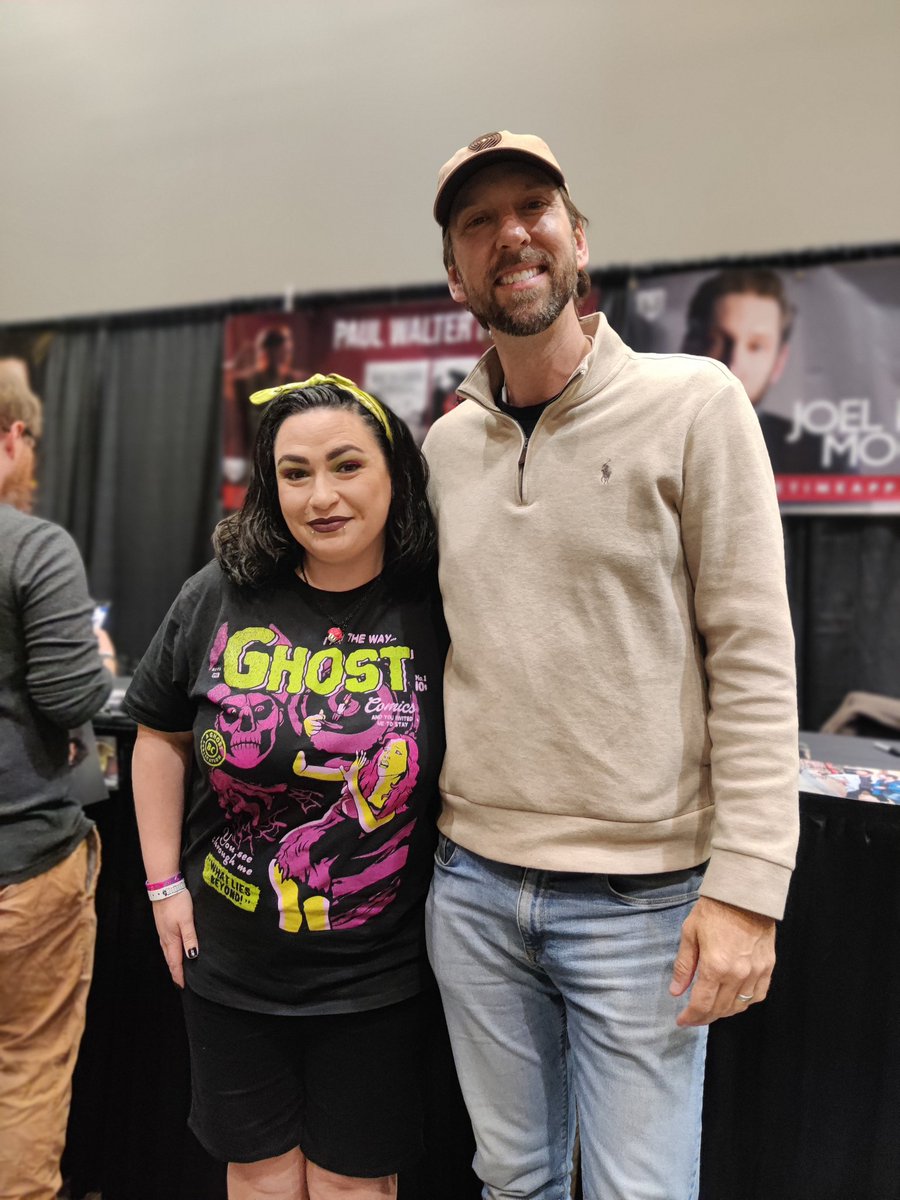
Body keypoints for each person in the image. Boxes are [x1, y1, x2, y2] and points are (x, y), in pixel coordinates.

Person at [423, 131, 799, 1200]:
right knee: (514, 1181)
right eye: (478, 224)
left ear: (578, 240)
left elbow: (756, 657)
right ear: (457, 275)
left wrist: (750, 890)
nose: (511, 236)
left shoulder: (696, 404)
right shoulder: (448, 447)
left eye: (532, 208)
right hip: (473, 890)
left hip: (644, 907)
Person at [123, 375, 445, 1200]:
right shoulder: (219, 595)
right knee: (260, 1178)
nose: (321, 495)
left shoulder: (438, 603)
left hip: (379, 975)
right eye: (295, 473)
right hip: (231, 966)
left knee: (352, 1187)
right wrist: (163, 884)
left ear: (394, 474)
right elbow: (158, 734)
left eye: (346, 465)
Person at [0, 372, 113, 1200]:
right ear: (13, 437)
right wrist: (97, 665)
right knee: (24, 1071)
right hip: (22, 861)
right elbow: (71, 700)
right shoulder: (34, 547)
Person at [681, 267, 845, 474]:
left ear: (779, 362)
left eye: (756, 346)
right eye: (717, 341)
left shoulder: (818, 462)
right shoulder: (650, 442)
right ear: (689, 345)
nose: (734, 362)